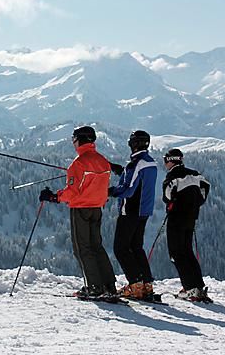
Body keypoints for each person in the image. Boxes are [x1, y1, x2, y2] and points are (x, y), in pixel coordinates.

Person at [39, 125, 117, 299]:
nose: (73, 143)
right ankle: (109, 286)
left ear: (80, 140)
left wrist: (53, 197)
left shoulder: (78, 163)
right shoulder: (103, 161)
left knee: (82, 248)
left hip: (81, 209)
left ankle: (94, 287)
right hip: (97, 208)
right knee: (97, 246)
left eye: (74, 140)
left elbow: (72, 192)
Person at [108, 130, 157, 299]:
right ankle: (146, 285)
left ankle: (135, 284)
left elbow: (128, 190)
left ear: (133, 144)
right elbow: (138, 182)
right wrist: (121, 172)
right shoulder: (150, 162)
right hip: (144, 211)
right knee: (136, 247)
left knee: (120, 248)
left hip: (130, 211)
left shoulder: (136, 163)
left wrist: (110, 191)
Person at [162, 148, 211, 302]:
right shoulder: (195, 174)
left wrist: (173, 203)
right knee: (187, 251)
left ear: (170, 160)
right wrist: (196, 204)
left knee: (176, 253)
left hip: (176, 217)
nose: (165, 164)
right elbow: (205, 187)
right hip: (191, 217)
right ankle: (198, 287)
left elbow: (167, 195)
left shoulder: (172, 176)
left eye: (165, 160)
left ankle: (189, 288)